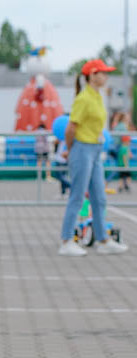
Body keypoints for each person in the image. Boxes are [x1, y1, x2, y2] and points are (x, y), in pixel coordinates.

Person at [58, 59, 128, 256]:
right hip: (82, 148)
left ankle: (103, 240)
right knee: (78, 196)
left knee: (99, 196)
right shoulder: (84, 98)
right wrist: (71, 150)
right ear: (92, 75)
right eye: (103, 73)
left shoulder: (97, 96)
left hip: (96, 150)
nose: (106, 76)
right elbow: (71, 128)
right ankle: (66, 241)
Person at [112, 111, 132, 192]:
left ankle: (124, 185)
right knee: (122, 168)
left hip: (117, 147)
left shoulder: (117, 126)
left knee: (120, 168)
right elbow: (125, 139)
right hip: (121, 147)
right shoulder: (123, 126)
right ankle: (107, 182)